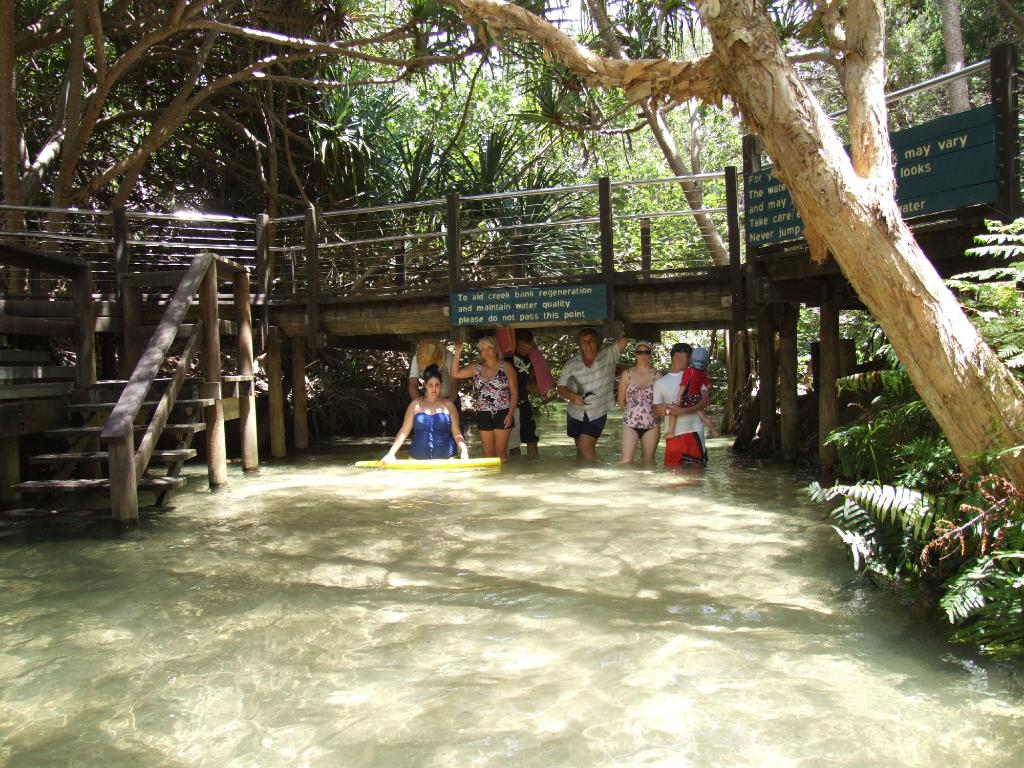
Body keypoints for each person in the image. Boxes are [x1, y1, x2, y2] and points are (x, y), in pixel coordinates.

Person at [556, 326, 627, 461]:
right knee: (581, 449)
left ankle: (596, 478)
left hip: (597, 412)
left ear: (598, 342)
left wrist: (615, 324)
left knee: (584, 445)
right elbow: (560, 388)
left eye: (591, 341)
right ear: (580, 345)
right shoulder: (571, 364)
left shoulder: (608, 356)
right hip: (574, 412)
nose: (587, 345)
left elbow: (624, 340)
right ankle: (582, 477)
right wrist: (572, 396)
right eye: (583, 342)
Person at [382, 364, 468, 462]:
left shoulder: (449, 406)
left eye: (437, 385)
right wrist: (391, 453)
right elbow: (404, 431)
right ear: (425, 386)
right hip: (416, 460)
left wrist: (464, 450)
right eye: (430, 385)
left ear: (441, 385)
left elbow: (457, 433)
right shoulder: (415, 405)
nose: (434, 388)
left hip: (447, 460)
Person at [452, 336, 518, 459]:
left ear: (496, 349)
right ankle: (490, 477)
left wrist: (510, 414)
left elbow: (514, 393)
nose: (486, 352)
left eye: (489, 348)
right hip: (483, 412)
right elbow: (455, 374)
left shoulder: (506, 367)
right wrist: (457, 352)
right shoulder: (475, 368)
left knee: (501, 453)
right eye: (483, 349)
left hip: (503, 412)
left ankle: (503, 477)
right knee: (487, 453)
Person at [654, 342, 711, 466]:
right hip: (671, 436)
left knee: (694, 478)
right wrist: (665, 409)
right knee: (672, 479)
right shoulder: (660, 382)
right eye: (689, 358)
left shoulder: (694, 374)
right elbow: (655, 410)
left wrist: (683, 411)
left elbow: (706, 401)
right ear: (676, 356)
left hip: (693, 432)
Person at [617, 341, 660, 463]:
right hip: (630, 424)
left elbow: (662, 402)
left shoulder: (657, 376)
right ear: (635, 354)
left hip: (651, 425)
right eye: (640, 352)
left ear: (650, 355)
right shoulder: (627, 374)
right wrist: (630, 414)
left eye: (647, 352)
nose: (643, 355)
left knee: (648, 462)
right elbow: (620, 401)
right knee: (625, 461)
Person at [509, 329, 542, 457]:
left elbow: (533, 379)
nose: (525, 350)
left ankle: (535, 470)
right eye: (522, 347)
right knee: (513, 444)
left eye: (528, 348)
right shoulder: (507, 356)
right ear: (516, 343)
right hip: (511, 405)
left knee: (532, 438)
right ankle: (517, 471)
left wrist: (534, 385)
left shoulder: (532, 357)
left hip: (525, 402)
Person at [408, 340, 457, 405]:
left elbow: (455, 382)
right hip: (428, 398)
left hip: (448, 397)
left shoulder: (449, 357)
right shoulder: (417, 357)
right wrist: (419, 405)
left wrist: (449, 403)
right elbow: (412, 384)